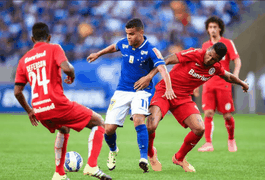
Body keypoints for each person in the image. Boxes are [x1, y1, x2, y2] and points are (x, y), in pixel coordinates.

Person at [14, 22, 112, 180]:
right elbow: (67, 68)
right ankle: (92, 166)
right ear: (49, 37)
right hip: (56, 104)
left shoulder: (24, 60)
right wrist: (71, 76)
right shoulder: (54, 48)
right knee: (99, 122)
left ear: (32, 39)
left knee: (64, 128)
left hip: (39, 109)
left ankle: (59, 174)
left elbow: (17, 92)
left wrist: (29, 110)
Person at [134, 42, 249, 172]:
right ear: (208, 50)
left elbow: (227, 76)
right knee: (151, 126)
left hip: (183, 98)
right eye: (209, 55)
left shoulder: (215, 67)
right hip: (165, 91)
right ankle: (151, 153)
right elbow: (166, 60)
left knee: (199, 129)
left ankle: (179, 158)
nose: (209, 59)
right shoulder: (195, 53)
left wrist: (242, 84)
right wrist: (149, 76)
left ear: (218, 60)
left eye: (214, 59)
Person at [87, 18, 176, 173]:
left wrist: (168, 87)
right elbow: (114, 47)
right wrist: (98, 54)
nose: (128, 37)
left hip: (142, 91)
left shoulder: (151, 49)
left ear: (141, 32)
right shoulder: (124, 43)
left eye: (132, 34)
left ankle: (143, 158)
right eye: (127, 34)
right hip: (122, 90)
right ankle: (113, 150)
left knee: (138, 119)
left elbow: (162, 68)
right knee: (108, 129)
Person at [196, 16, 242, 152]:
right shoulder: (205, 45)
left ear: (220, 28)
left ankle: (231, 139)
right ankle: (208, 143)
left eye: (215, 27)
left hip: (224, 84)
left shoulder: (227, 43)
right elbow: (200, 67)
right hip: (208, 85)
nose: (212, 30)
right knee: (208, 113)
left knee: (227, 115)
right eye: (210, 27)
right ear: (207, 29)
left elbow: (237, 60)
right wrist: (196, 85)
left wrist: (236, 75)